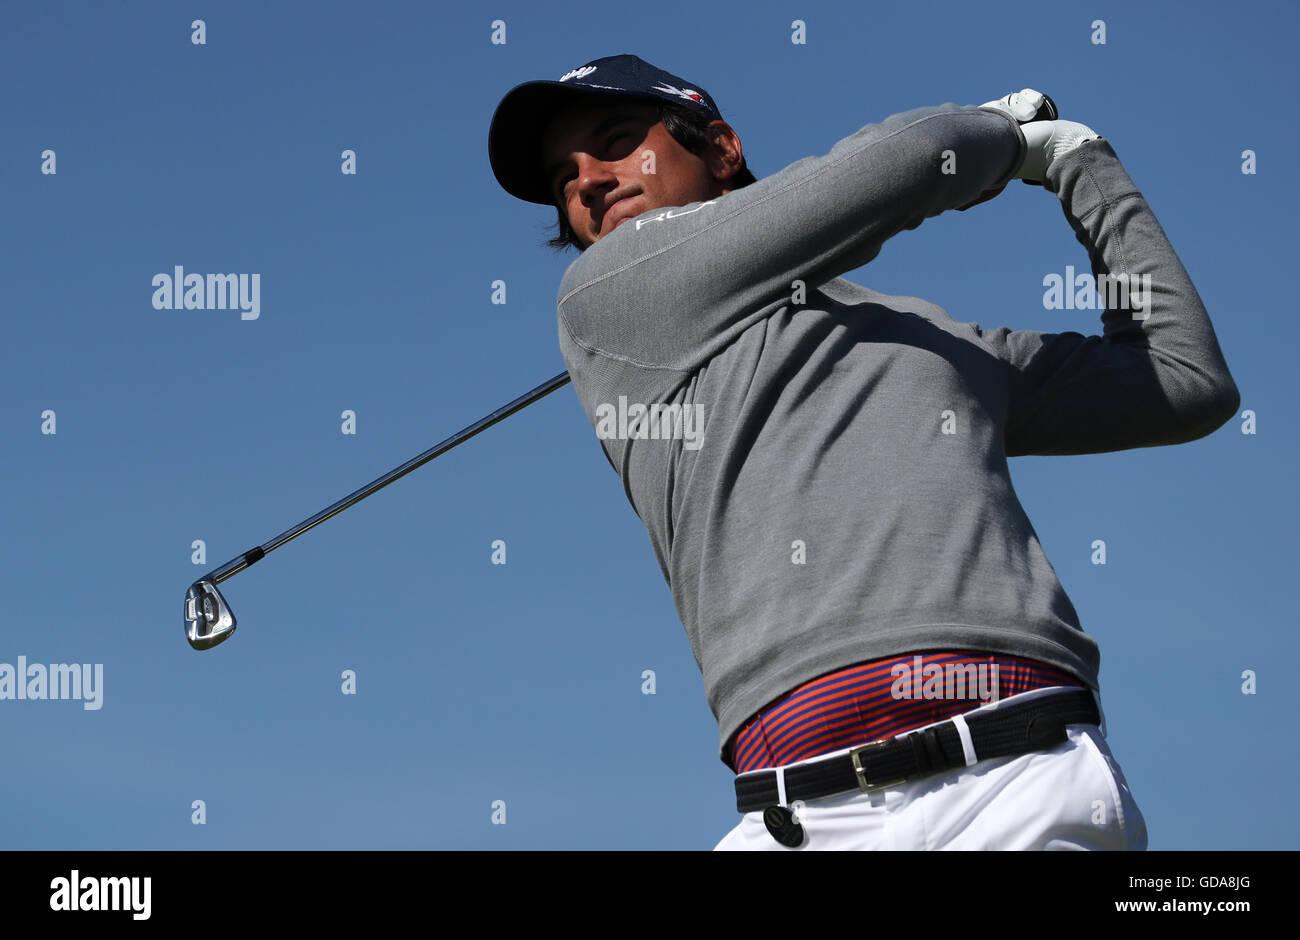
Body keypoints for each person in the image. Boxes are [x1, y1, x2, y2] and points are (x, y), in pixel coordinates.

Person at [488, 54, 1240, 850]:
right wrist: (1005, 142)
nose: (589, 181)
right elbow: (914, 157)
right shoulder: (605, 294)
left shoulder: (936, 346)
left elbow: (1183, 378)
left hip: (1019, 777)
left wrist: (1084, 167)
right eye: (564, 178)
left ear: (721, 148)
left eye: (614, 141)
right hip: (796, 814)